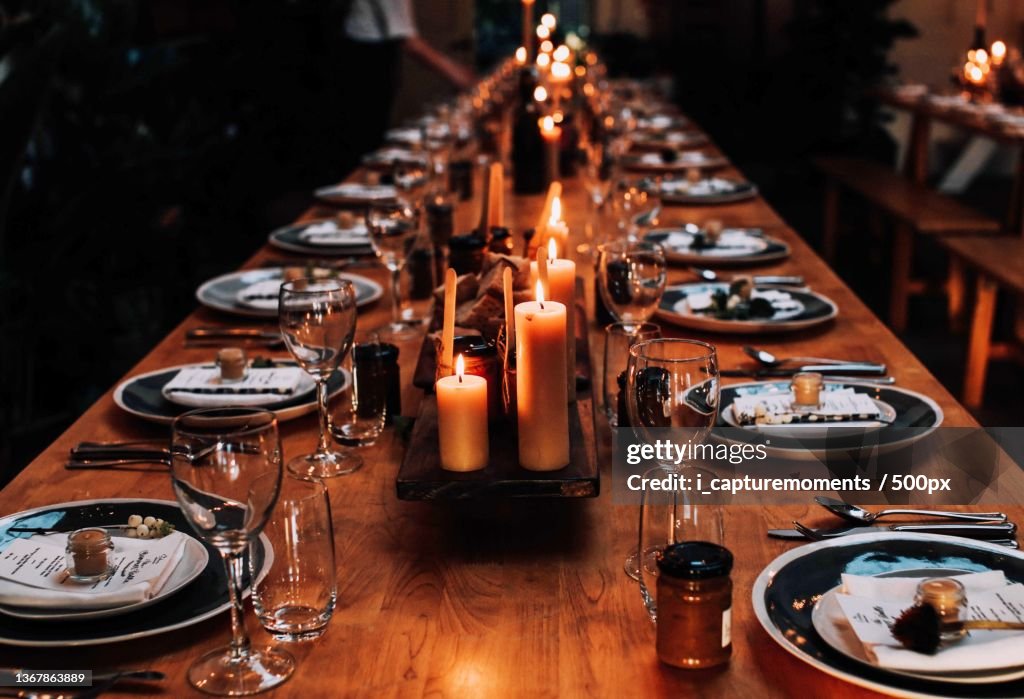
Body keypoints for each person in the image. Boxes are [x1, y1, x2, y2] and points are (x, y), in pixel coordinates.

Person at [331, 0, 475, 173]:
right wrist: (458, 75)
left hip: (369, 54)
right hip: (362, 61)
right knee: (361, 150)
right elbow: (409, 41)